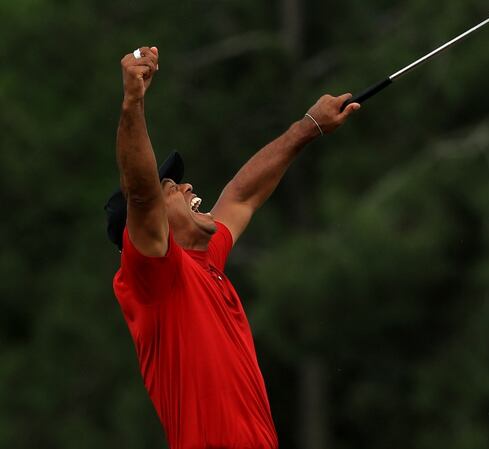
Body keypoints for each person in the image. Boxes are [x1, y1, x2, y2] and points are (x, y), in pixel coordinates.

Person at [104, 46, 360, 449]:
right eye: (171, 187)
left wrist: (307, 127)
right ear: (147, 227)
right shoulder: (153, 277)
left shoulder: (203, 262)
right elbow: (139, 193)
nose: (187, 185)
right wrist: (132, 103)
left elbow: (242, 196)